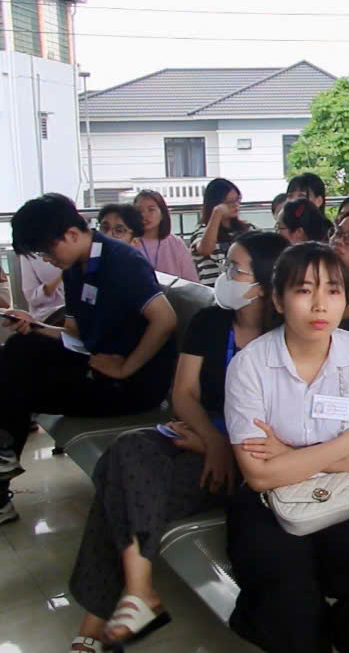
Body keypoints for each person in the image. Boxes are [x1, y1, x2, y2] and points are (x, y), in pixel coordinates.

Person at [66, 230, 288, 653]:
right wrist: (212, 441)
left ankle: (100, 621)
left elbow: (282, 427)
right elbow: (183, 394)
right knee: (128, 451)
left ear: (264, 284)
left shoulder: (288, 338)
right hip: (202, 439)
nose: (224, 275)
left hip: (252, 462)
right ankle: (139, 589)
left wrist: (224, 449)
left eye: (235, 270)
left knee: (120, 481)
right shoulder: (212, 321)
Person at [222, 242, 349, 653]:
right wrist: (347, 440)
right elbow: (259, 474)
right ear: (279, 300)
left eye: (333, 291)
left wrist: (287, 454)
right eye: (303, 290)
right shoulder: (250, 366)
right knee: (287, 602)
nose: (320, 305)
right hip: (269, 501)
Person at [0, 194, 179, 526]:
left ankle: (3, 464)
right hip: (95, 363)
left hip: (131, 385)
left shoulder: (120, 261)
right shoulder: (76, 267)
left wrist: (127, 367)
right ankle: (4, 455)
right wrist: (35, 326)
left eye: (46, 251)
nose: (47, 260)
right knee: (18, 349)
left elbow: (165, 320)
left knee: (19, 387)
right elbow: (75, 335)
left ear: (71, 234)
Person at [190, 178, 254, 286]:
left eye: (237, 200)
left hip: (244, 289)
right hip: (213, 292)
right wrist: (217, 214)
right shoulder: (201, 232)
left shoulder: (248, 229)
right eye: (229, 202)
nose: (235, 205)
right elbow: (205, 249)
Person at [133, 190, 200, 282]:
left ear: (162, 214)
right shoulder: (129, 242)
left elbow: (191, 282)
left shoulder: (175, 243)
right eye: (139, 211)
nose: (144, 215)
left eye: (151, 209)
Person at [19, 253, 66, 325]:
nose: (45, 260)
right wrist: (61, 276)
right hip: (48, 316)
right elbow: (32, 297)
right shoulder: (28, 254)